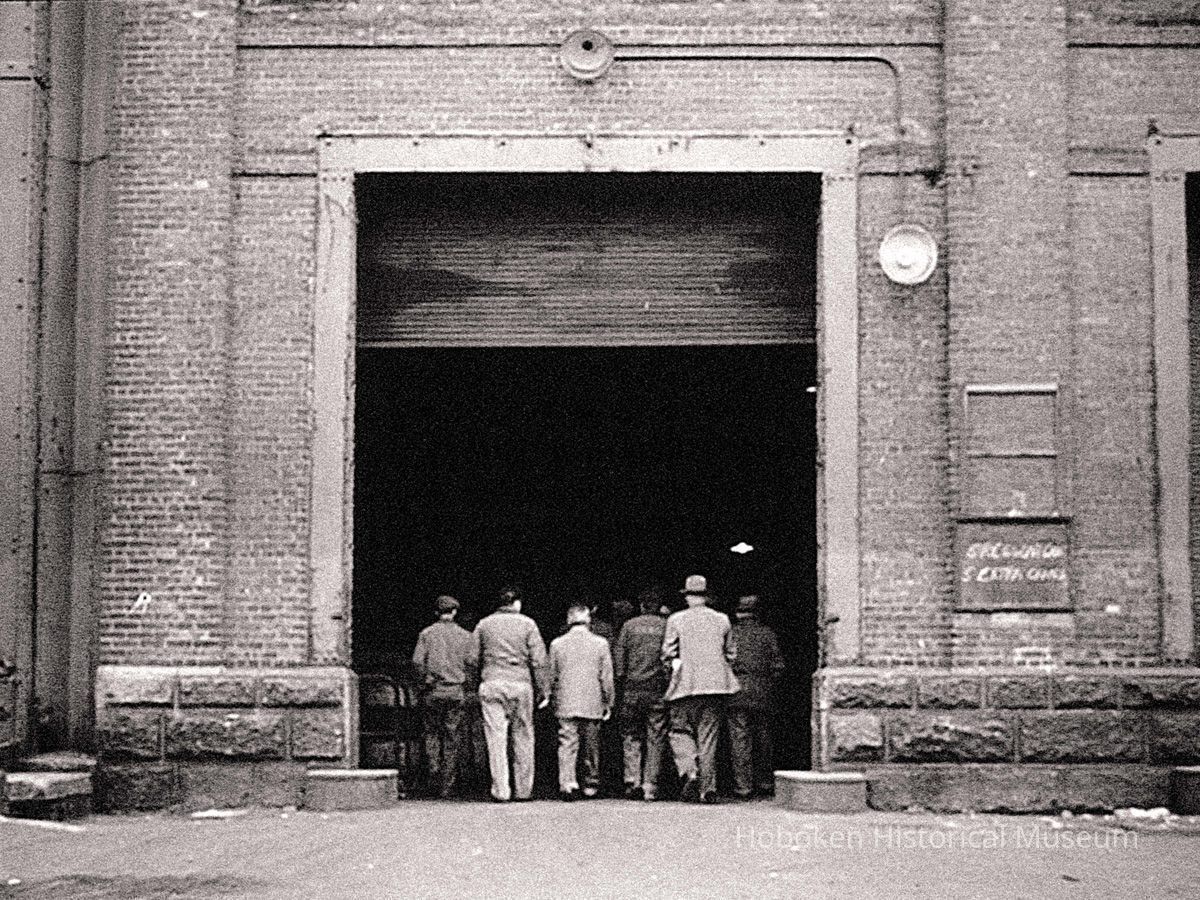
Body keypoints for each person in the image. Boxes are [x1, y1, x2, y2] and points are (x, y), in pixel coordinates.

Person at [661, 574, 739, 804]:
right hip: (715, 686)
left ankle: (690, 771)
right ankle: (708, 789)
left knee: (679, 732)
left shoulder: (676, 620)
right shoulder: (722, 620)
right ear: (706, 597)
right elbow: (731, 654)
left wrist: (671, 670)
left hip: (685, 685)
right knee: (709, 738)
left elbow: (667, 653)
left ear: (687, 597)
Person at [467, 586, 549, 802]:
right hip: (520, 684)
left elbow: (472, 659)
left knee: (495, 737)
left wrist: (474, 684)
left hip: (492, 682)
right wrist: (544, 690)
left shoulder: (484, 624)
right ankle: (524, 790)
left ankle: (501, 790)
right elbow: (539, 660)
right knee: (523, 735)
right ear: (517, 603)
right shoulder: (528, 624)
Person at [548, 604, 615, 800]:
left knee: (567, 743)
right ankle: (590, 783)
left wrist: (548, 696)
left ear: (569, 621)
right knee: (591, 745)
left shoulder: (557, 644)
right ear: (589, 621)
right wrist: (608, 701)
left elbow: (551, 675)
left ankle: (567, 783)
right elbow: (606, 677)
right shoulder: (601, 643)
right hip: (592, 701)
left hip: (566, 701)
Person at [411, 594, 473, 798]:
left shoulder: (427, 634)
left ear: (436, 612)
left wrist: (424, 682)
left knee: (431, 733)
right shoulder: (466, 636)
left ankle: (433, 773)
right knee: (452, 737)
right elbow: (471, 664)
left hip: (433, 691)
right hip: (455, 691)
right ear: (455, 612)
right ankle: (447, 783)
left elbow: (418, 662)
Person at [613, 588, 669, 800]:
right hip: (657, 690)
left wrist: (621, 685)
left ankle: (632, 780)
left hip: (632, 690)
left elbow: (619, 663)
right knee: (656, 737)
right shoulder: (666, 626)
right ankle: (650, 785)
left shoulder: (629, 626)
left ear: (642, 605)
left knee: (631, 735)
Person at [727, 594, 785, 799]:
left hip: (736, 692)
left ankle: (743, 786)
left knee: (739, 740)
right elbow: (778, 666)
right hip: (763, 693)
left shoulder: (731, 633)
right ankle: (765, 782)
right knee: (764, 739)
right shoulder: (767, 634)